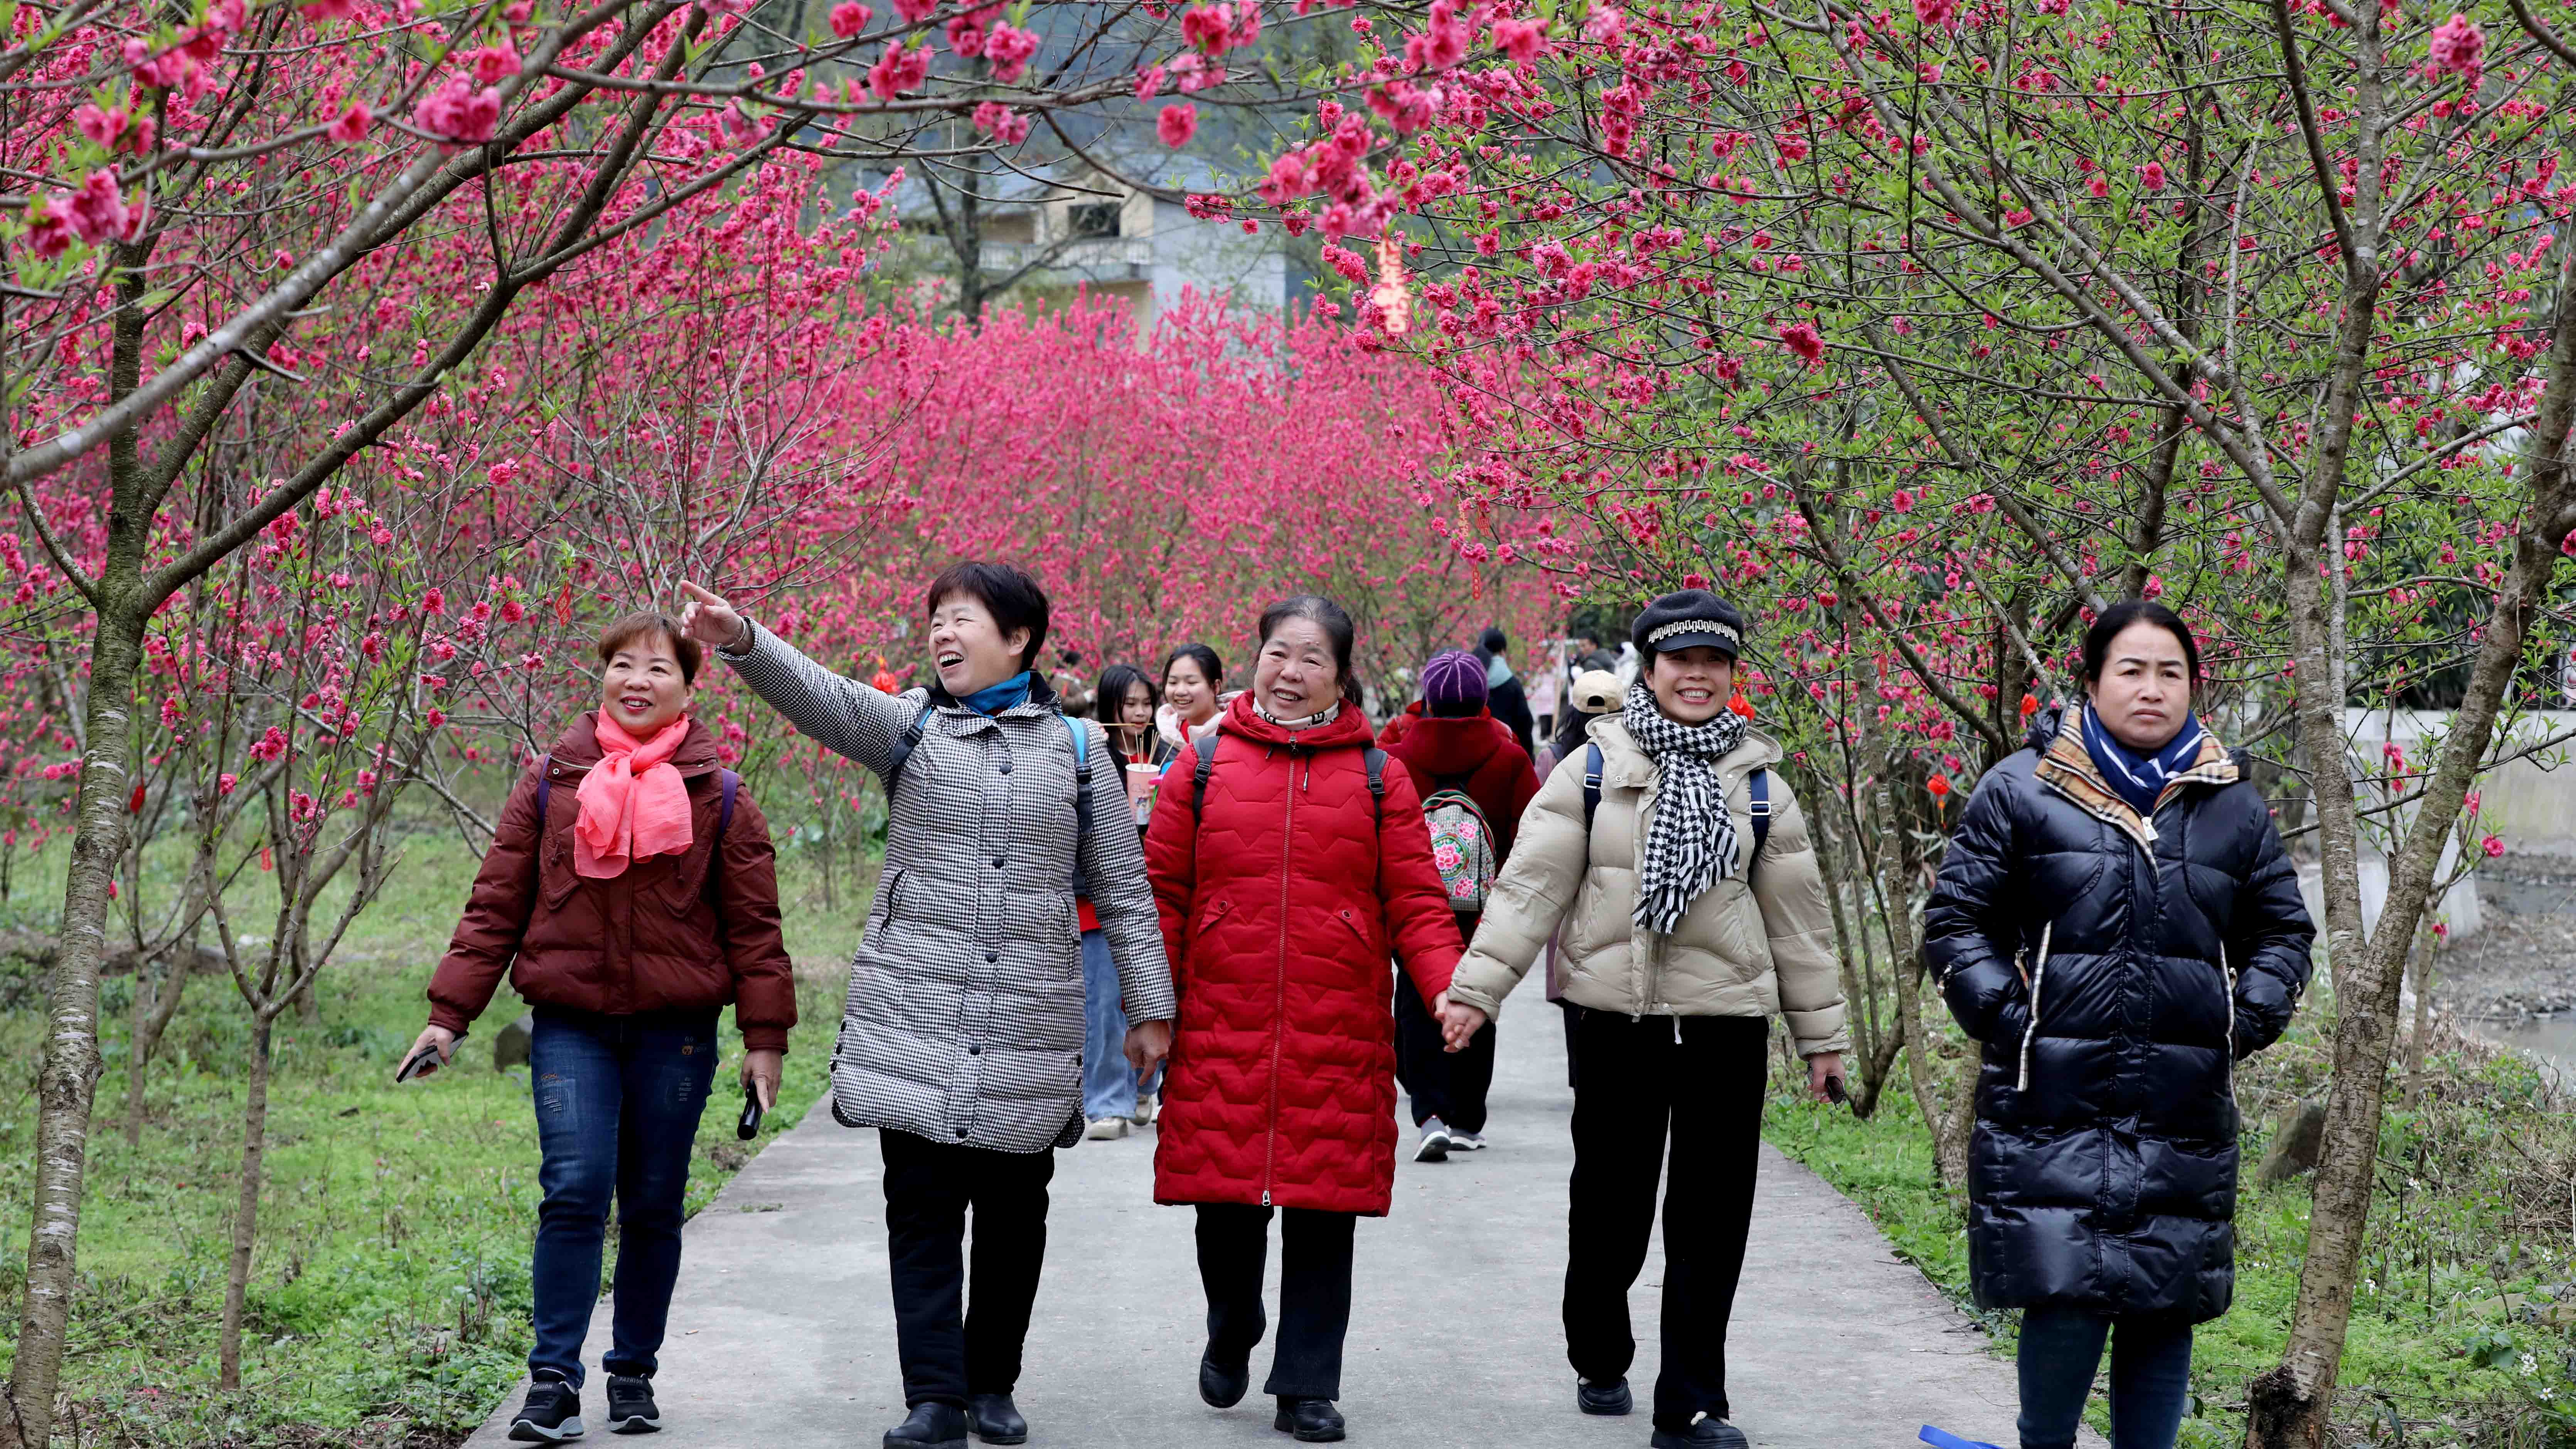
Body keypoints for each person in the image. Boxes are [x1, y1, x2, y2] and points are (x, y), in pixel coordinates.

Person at [677, 564, 1176, 1449]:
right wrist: (741, 636)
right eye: (937, 621)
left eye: (964, 621)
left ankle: (993, 1383)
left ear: (1019, 637)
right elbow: (819, 693)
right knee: (920, 1208)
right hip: (913, 1015)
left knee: (1017, 1213)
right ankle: (935, 1395)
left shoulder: (1076, 747)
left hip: (1031, 1015)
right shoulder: (908, 726)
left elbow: (1124, 889)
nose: (944, 636)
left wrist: (1149, 1006)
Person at [1438, 589, 1848, 1449]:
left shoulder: (1760, 785)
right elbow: (1528, 890)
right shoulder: (1591, 769)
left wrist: (1824, 1039)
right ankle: (1598, 1346)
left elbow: (1799, 924)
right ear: (1648, 670)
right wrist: (1476, 991)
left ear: (1732, 675)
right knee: (1610, 1208)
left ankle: (1691, 1399)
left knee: (1710, 1216)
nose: (1695, 677)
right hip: (1614, 1022)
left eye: (1713, 663)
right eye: (1679, 661)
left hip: (1723, 1026)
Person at [1922, 600, 2313, 1449]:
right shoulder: (2021, 790)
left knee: (2162, 1300)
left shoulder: (2231, 804)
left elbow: (2282, 931)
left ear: (2193, 687)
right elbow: (1955, 921)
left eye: (2169, 672)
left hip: (2180, 1096)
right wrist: (2009, 1017)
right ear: (2091, 681)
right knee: (2064, 1290)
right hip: (2051, 1087)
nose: (2150, 689)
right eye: (2130, 670)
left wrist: (2240, 1018)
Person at [408, 612, 795, 1444]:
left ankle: (633, 1376)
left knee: (653, 1204)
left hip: (677, 1031)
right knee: (575, 1190)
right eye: (623, 664)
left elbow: (756, 932)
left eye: (659, 668)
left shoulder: (723, 798)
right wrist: (449, 1019)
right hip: (571, 1025)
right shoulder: (551, 783)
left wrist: (765, 1041)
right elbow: (494, 909)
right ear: (601, 678)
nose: (638, 680)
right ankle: (552, 1382)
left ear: (689, 688)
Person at [1144, 595, 1465, 1445]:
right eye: (1278, 654)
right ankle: (1233, 1325)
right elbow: (1162, 897)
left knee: (1326, 1210)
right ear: (1253, 661)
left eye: (1311, 659)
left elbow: (1418, 902)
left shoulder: (1378, 775)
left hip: (1338, 1028)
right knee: (1225, 1203)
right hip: (1222, 1017)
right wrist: (1151, 1008)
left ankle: (1307, 1383)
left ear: (1341, 675)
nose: (1290, 674)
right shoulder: (1203, 767)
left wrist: (1446, 989)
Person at [1376, 649, 1540, 1163]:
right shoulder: (1509, 758)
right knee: (1478, 999)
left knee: (1417, 998)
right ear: (1483, 700)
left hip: (1415, 900)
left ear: (1425, 697)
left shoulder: (1398, 758)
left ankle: (1429, 1110)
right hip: (1484, 909)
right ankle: (1468, 1116)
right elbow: (1530, 833)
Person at [1080, 662, 1176, 1139]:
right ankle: (1105, 1102)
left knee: (1150, 994)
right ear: (1111, 706)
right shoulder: (1088, 752)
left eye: (1146, 703)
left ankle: (1144, 1086)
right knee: (1102, 1003)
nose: (1138, 713)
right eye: (1129, 704)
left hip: (1153, 895)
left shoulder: (1170, 754)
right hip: (1098, 899)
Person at [1475, 625, 1538, 759]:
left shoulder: (1471, 681)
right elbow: (1525, 723)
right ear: (1503, 652)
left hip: (1477, 755)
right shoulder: (1512, 683)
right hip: (1508, 755)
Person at [1157, 642, 1226, 751]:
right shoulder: (1166, 734)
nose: (1180, 692)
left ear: (1215, 687)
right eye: (1173, 682)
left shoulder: (1234, 733)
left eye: (1191, 682)